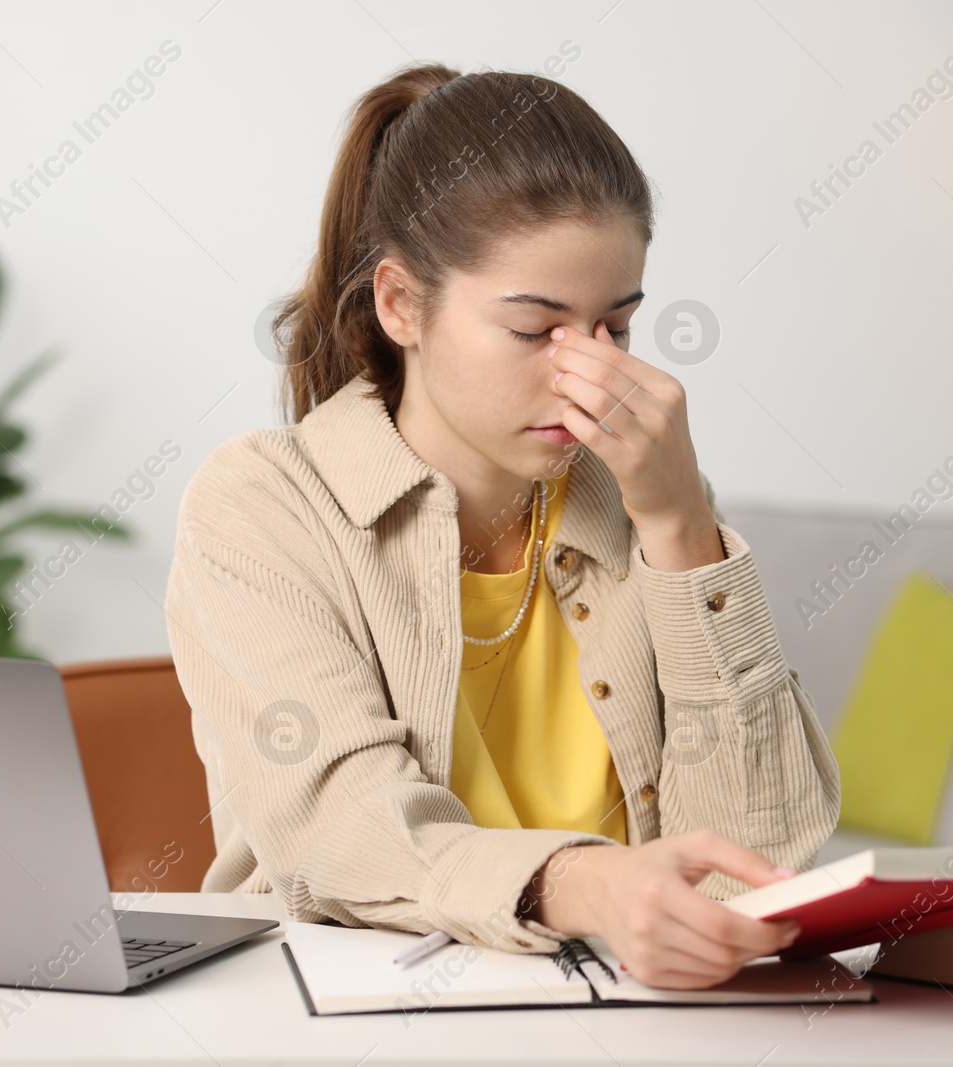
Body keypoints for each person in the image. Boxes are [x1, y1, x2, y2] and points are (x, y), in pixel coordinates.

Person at [165, 61, 841, 991]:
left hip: (639, 1018)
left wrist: (683, 528)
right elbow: (342, 834)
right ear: (401, 304)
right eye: (536, 330)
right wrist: (588, 883)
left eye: (616, 328)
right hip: (360, 1019)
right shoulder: (263, 506)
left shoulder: (637, 493)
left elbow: (759, 864)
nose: (586, 375)